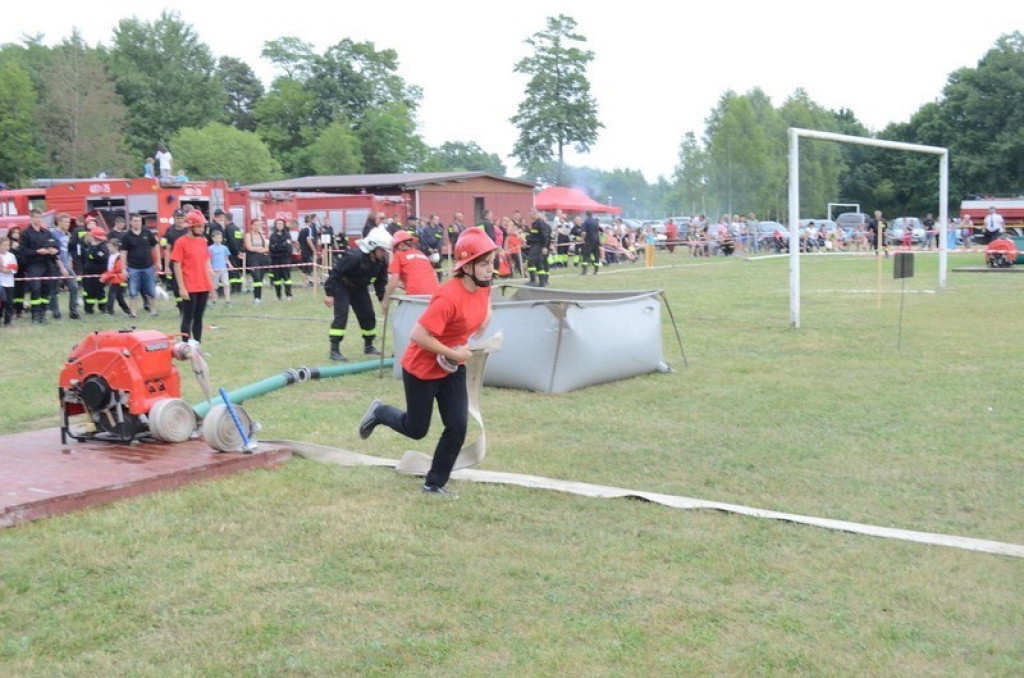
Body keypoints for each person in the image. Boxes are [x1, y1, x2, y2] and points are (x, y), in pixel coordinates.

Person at [357, 228, 497, 499]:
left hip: (451, 366)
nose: (490, 269)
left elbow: (485, 300)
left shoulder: (483, 284)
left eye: (491, 262)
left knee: (457, 425)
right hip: (422, 369)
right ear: (466, 267)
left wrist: (486, 317)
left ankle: (434, 483)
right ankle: (379, 412)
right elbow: (418, 335)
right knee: (416, 429)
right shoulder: (448, 297)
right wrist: (453, 353)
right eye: (484, 263)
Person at [323, 226, 391, 361]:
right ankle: (334, 350)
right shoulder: (354, 256)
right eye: (382, 250)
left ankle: (369, 346)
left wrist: (383, 300)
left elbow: (380, 282)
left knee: (368, 315)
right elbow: (336, 272)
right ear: (373, 247)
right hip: (343, 286)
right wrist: (329, 293)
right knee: (341, 316)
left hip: (360, 288)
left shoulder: (382, 262)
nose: (384, 253)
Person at [170, 211, 214, 347]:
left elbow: (206, 263)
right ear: (190, 227)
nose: (202, 229)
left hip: (203, 285)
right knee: (188, 316)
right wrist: (182, 287)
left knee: (199, 317)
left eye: (203, 226)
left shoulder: (202, 242)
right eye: (199, 226)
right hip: (189, 286)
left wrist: (210, 285)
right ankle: (185, 346)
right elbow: (177, 265)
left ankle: (197, 345)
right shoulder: (181, 242)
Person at [20, 209, 63, 324]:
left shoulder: (46, 232)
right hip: (33, 265)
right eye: (36, 217)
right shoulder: (25, 233)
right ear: (31, 218)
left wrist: (55, 250)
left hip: (47, 264)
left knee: (46, 290)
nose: (38, 219)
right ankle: (35, 316)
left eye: (40, 217)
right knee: (36, 289)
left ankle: (43, 315)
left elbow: (55, 245)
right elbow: (23, 251)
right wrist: (37, 251)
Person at [383, 230, 440, 314]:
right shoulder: (421, 254)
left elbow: (393, 282)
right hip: (435, 297)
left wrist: (385, 301)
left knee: (400, 317)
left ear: (401, 245)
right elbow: (434, 276)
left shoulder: (399, 255)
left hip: (415, 297)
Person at [120, 213, 160, 318]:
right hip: (133, 268)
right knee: (133, 292)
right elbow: (123, 252)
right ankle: (133, 313)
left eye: (139, 221)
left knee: (151, 291)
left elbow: (156, 245)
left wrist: (158, 261)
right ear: (130, 222)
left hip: (148, 267)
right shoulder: (126, 236)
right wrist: (123, 268)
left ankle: (153, 312)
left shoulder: (147, 232)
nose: (137, 223)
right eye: (135, 221)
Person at [48, 212, 81, 320]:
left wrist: (69, 262)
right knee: (54, 290)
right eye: (65, 222)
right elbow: (53, 251)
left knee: (74, 287)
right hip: (55, 265)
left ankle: (73, 311)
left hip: (66, 265)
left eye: (68, 222)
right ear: (59, 222)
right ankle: (55, 312)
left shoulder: (67, 234)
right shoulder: (52, 233)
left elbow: (68, 250)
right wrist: (61, 266)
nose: (67, 224)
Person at [81, 227, 109, 314]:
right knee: (89, 292)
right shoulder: (91, 246)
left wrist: (93, 250)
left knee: (99, 291)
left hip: (98, 273)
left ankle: (103, 308)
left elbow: (98, 256)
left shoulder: (103, 247)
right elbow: (88, 256)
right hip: (88, 273)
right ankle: (89, 309)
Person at [102, 236, 131, 316]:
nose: (108, 249)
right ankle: (127, 310)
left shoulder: (118, 257)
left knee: (112, 294)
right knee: (119, 296)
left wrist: (107, 276)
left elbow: (117, 269)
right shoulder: (111, 256)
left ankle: (109, 310)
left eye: (110, 247)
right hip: (113, 278)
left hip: (118, 279)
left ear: (116, 247)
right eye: (108, 247)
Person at [243, 218, 270, 304]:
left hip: (262, 259)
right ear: (251, 226)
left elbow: (266, 248)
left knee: (261, 278)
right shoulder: (248, 235)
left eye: (258, 225)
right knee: (256, 277)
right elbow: (249, 247)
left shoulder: (261, 235)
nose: (257, 227)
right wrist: (259, 249)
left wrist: (260, 250)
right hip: (253, 259)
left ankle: (259, 297)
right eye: (255, 225)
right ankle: (256, 298)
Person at [268, 218, 294, 301]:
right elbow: (271, 248)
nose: (279, 225)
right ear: (275, 225)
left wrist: (277, 247)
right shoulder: (272, 236)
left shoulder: (287, 235)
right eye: (278, 224)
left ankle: (289, 295)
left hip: (285, 259)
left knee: (287, 278)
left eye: (281, 224)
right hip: (275, 260)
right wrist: (281, 246)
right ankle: (278, 296)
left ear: (284, 225)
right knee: (277, 279)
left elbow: (288, 248)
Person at [525, 208, 551, 287]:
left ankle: (536, 281)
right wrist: (528, 240)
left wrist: (545, 247)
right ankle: (541, 282)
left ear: (535, 213)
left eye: (531, 213)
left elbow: (545, 235)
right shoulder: (535, 223)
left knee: (531, 260)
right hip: (534, 245)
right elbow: (534, 235)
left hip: (538, 245)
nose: (530, 215)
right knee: (538, 263)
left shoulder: (540, 223)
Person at [208, 230, 232, 305]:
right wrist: (210, 268)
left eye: (220, 237)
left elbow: (226, 258)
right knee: (214, 287)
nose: (218, 239)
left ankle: (228, 301)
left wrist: (230, 265)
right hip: (214, 270)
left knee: (226, 284)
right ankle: (213, 301)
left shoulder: (224, 248)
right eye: (217, 237)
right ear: (213, 238)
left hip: (223, 269)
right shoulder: (210, 248)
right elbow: (208, 260)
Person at [0, 236, 16, 326]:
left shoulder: (11, 256)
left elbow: (14, 267)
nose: (6, 247)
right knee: (3, 301)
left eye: (7, 245)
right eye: (4, 245)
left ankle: (8, 320)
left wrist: (8, 270)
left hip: (9, 283)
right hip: (1, 283)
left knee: (9, 302)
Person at [580, 210, 602, 275]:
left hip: (589, 241)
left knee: (586, 255)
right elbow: (599, 232)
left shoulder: (586, 222)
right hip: (596, 240)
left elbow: (584, 232)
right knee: (596, 255)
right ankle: (596, 270)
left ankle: (584, 271)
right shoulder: (596, 221)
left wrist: (582, 239)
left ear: (586, 214)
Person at [298, 215, 317, 286]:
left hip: (303, 252)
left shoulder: (301, 230)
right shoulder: (309, 229)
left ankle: (305, 283)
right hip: (308, 252)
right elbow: (308, 240)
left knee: (304, 268)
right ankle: (310, 282)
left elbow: (299, 241)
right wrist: (314, 249)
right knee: (310, 267)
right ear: (310, 221)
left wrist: (299, 249)